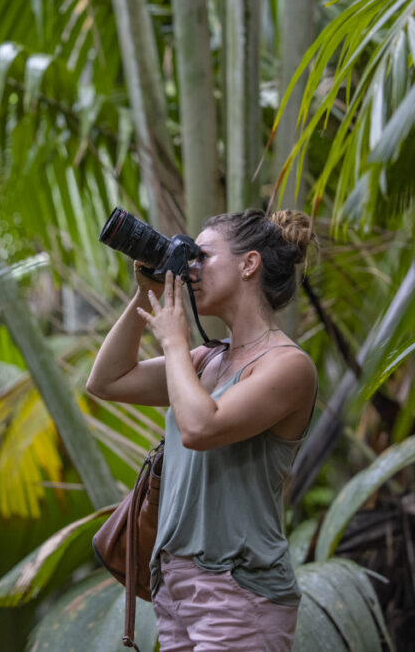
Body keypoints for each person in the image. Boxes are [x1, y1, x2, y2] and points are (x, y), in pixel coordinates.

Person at [85, 208, 319, 651]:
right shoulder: (207, 360)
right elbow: (107, 381)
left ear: (249, 264)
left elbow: (199, 426)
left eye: (202, 256)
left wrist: (174, 341)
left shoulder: (289, 366)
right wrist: (147, 294)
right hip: (176, 589)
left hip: (238, 589)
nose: (190, 269)